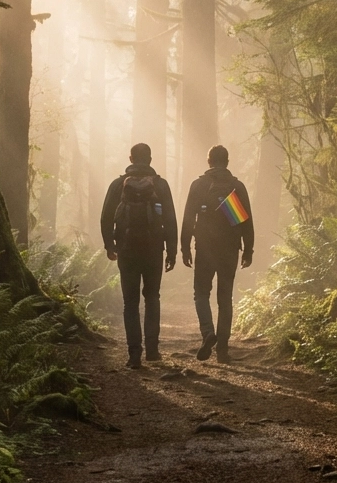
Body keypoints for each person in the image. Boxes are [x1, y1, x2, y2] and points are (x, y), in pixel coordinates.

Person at [100, 142, 177, 368]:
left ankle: (134, 354)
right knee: (152, 297)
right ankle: (152, 350)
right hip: (154, 249)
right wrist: (171, 251)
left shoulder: (118, 185)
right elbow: (170, 220)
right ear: (150, 160)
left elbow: (105, 217)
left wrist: (109, 245)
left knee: (130, 302)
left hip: (127, 248)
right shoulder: (161, 185)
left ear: (131, 158)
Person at [181, 145, 254, 363]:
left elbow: (188, 219)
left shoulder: (198, 185)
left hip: (204, 248)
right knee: (225, 298)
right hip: (230, 249)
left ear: (209, 161)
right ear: (227, 161)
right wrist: (248, 250)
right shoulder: (237, 186)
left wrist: (184, 247)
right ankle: (223, 351)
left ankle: (208, 333)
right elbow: (247, 222)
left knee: (201, 293)